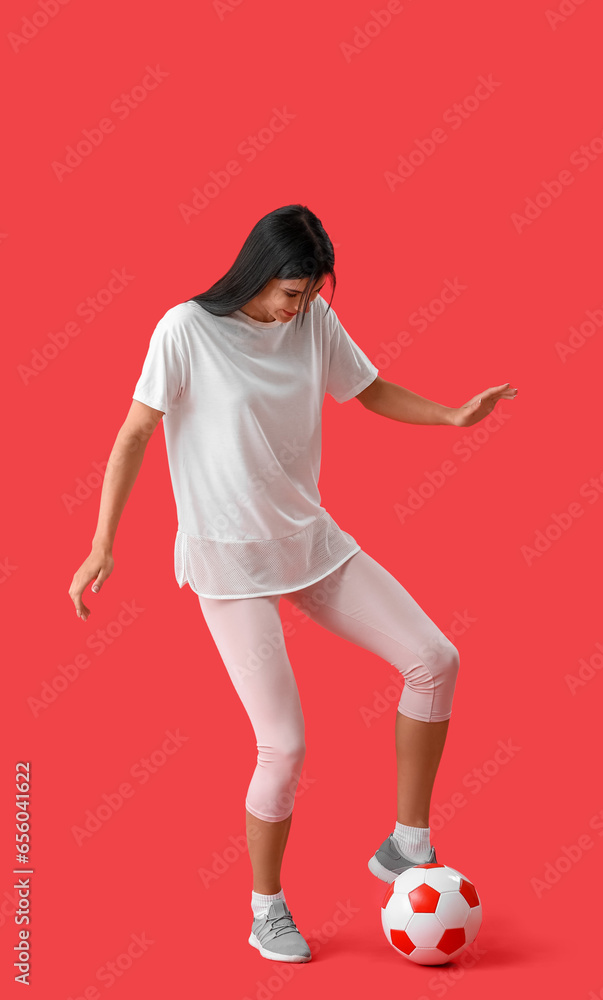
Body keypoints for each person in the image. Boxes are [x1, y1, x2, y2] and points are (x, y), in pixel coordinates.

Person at [68, 203, 518, 964]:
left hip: (308, 542)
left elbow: (368, 390)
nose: (297, 308)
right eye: (287, 293)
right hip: (229, 564)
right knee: (283, 744)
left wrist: (448, 417)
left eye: (309, 294)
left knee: (435, 659)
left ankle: (408, 844)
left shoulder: (310, 323)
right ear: (253, 273)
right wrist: (101, 543)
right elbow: (135, 433)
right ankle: (265, 909)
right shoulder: (185, 330)